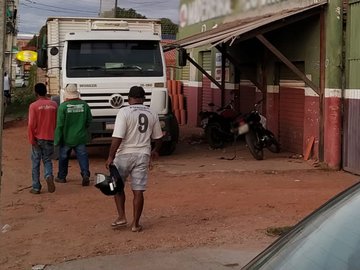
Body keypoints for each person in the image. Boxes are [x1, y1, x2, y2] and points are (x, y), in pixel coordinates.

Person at [105, 86, 163, 232]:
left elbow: (117, 137)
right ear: (143, 98)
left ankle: (121, 217)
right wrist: (155, 150)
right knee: (138, 191)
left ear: (129, 98)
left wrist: (110, 156)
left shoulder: (124, 112)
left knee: (117, 187)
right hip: (143, 155)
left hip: (124, 155)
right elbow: (158, 137)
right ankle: (136, 224)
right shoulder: (152, 113)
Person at [54, 84, 92, 186]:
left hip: (66, 138)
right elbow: (89, 121)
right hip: (80, 137)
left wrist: (57, 139)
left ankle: (62, 177)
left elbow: (60, 125)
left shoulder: (62, 107)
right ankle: (85, 174)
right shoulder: (84, 105)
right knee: (83, 156)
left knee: (63, 157)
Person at [28, 83, 58, 194]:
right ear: (46, 91)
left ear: (36, 93)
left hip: (37, 138)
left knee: (35, 162)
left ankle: (36, 187)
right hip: (49, 137)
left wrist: (32, 139)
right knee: (47, 160)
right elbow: (55, 122)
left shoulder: (33, 106)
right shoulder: (54, 104)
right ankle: (48, 175)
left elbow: (31, 125)